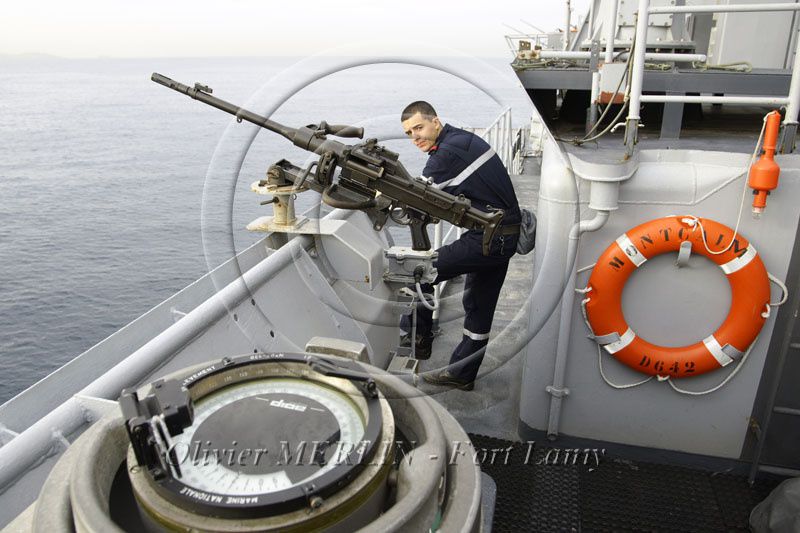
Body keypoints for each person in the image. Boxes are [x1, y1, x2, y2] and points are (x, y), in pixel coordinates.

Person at [399, 101, 521, 391]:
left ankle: (418, 343)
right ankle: (462, 373)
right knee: (479, 307)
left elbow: (415, 196)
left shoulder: (446, 155)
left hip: (489, 239)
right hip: (502, 234)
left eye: (419, 128)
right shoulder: (463, 140)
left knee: (419, 273)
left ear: (435, 122)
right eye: (408, 133)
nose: (415, 137)